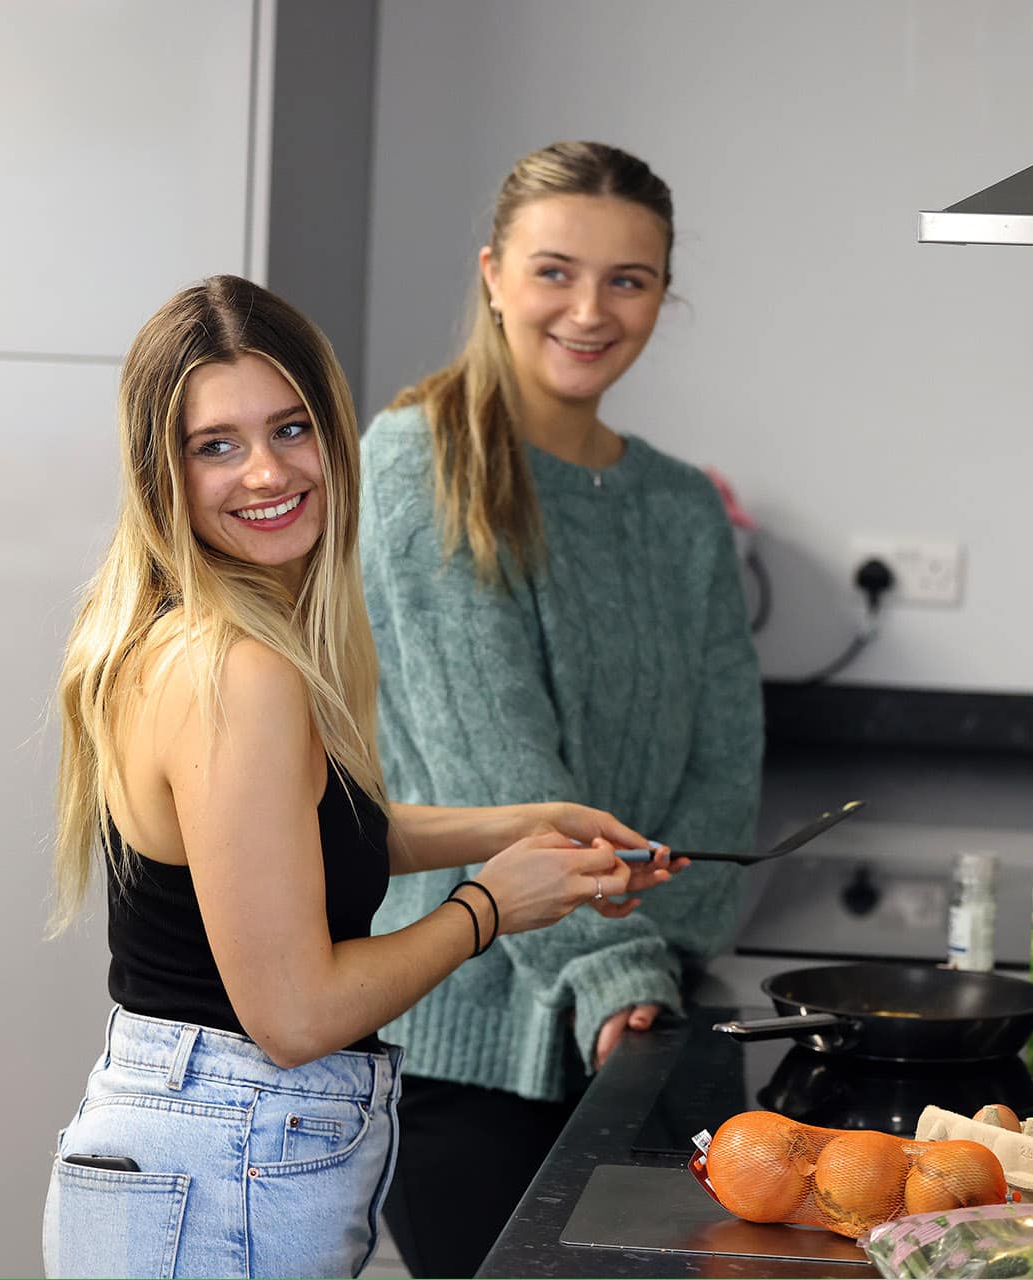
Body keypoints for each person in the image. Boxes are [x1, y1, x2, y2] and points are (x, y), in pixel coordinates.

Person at [40, 275, 681, 1279]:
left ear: (335, 436)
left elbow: (293, 846)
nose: (265, 471)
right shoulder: (238, 670)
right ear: (163, 471)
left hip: (200, 1148)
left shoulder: (191, 634)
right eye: (218, 444)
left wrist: (521, 825)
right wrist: (489, 906)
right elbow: (295, 1015)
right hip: (225, 1161)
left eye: (291, 428)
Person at [359, 140, 764, 1276]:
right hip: (464, 1046)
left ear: (663, 295)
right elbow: (493, 771)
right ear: (493, 273)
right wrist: (616, 971)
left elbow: (726, 762)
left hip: (641, 1019)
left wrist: (655, 965)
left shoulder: (682, 506)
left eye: (628, 280)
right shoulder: (418, 460)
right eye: (554, 270)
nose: (589, 309)